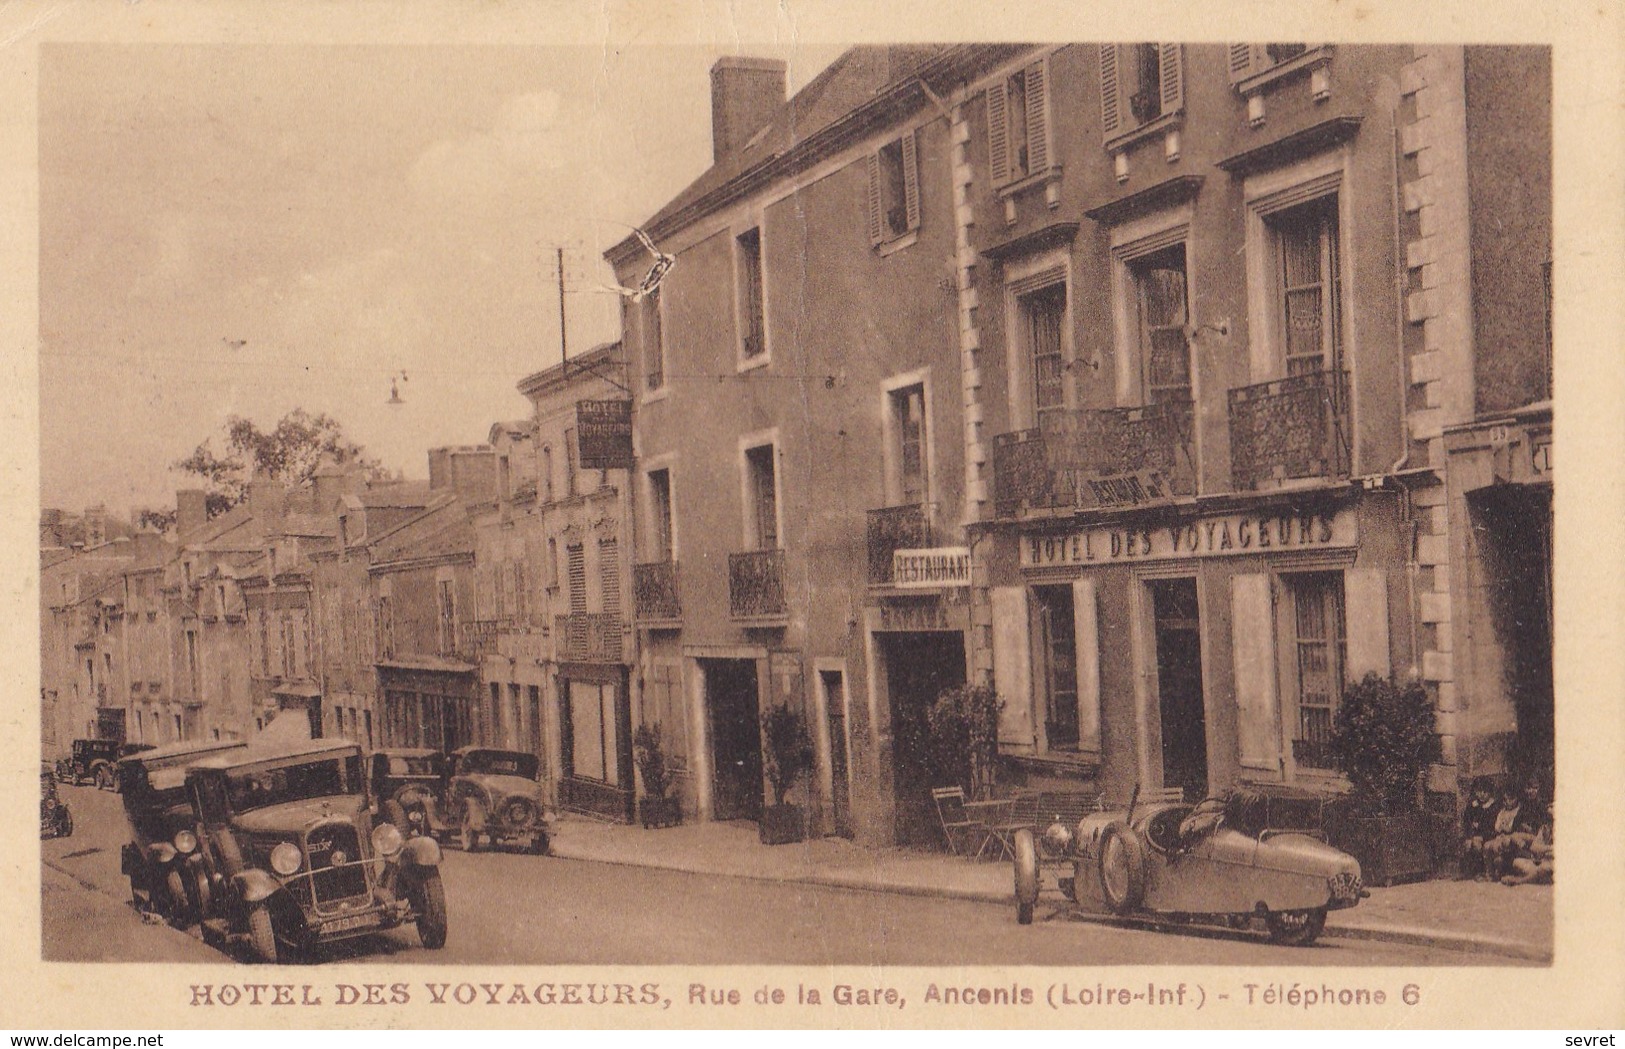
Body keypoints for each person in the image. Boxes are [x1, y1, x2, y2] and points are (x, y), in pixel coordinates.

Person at [1483, 779, 1542, 879]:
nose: (1508, 802)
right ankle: (1489, 872)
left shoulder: (1520, 809)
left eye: (1535, 788)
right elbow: (1498, 827)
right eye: (1506, 800)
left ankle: (1498, 872)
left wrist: (1506, 828)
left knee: (1500, 845)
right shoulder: (1505, 811)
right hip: (1508, 835)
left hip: (1516, 836)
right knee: (1487, 846)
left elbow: (1513, 827)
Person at [1459, 776, 1501, 880]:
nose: (1481, 794)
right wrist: (1469, 836)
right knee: (1468, 844)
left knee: (1477, 844)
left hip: (1488, 835)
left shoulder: (1492, 807)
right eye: (1478, 791)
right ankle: (1468, 872)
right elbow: (1467, 822)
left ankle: (1480, 871)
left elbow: (1492, 826)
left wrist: (1480, 834)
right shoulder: (1473, 805)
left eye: (1484, 792)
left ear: (1490, 792)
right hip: (1474, 835)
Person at [1502, 803, 1554, 886]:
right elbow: (1534, 847)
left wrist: (1545, 850)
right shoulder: (1545, 828)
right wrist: (1550, 848)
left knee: (1545, 868)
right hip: (1543, 861)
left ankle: (1519, 881)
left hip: (1553, 865)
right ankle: (1536, 878)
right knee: (1517, 862)